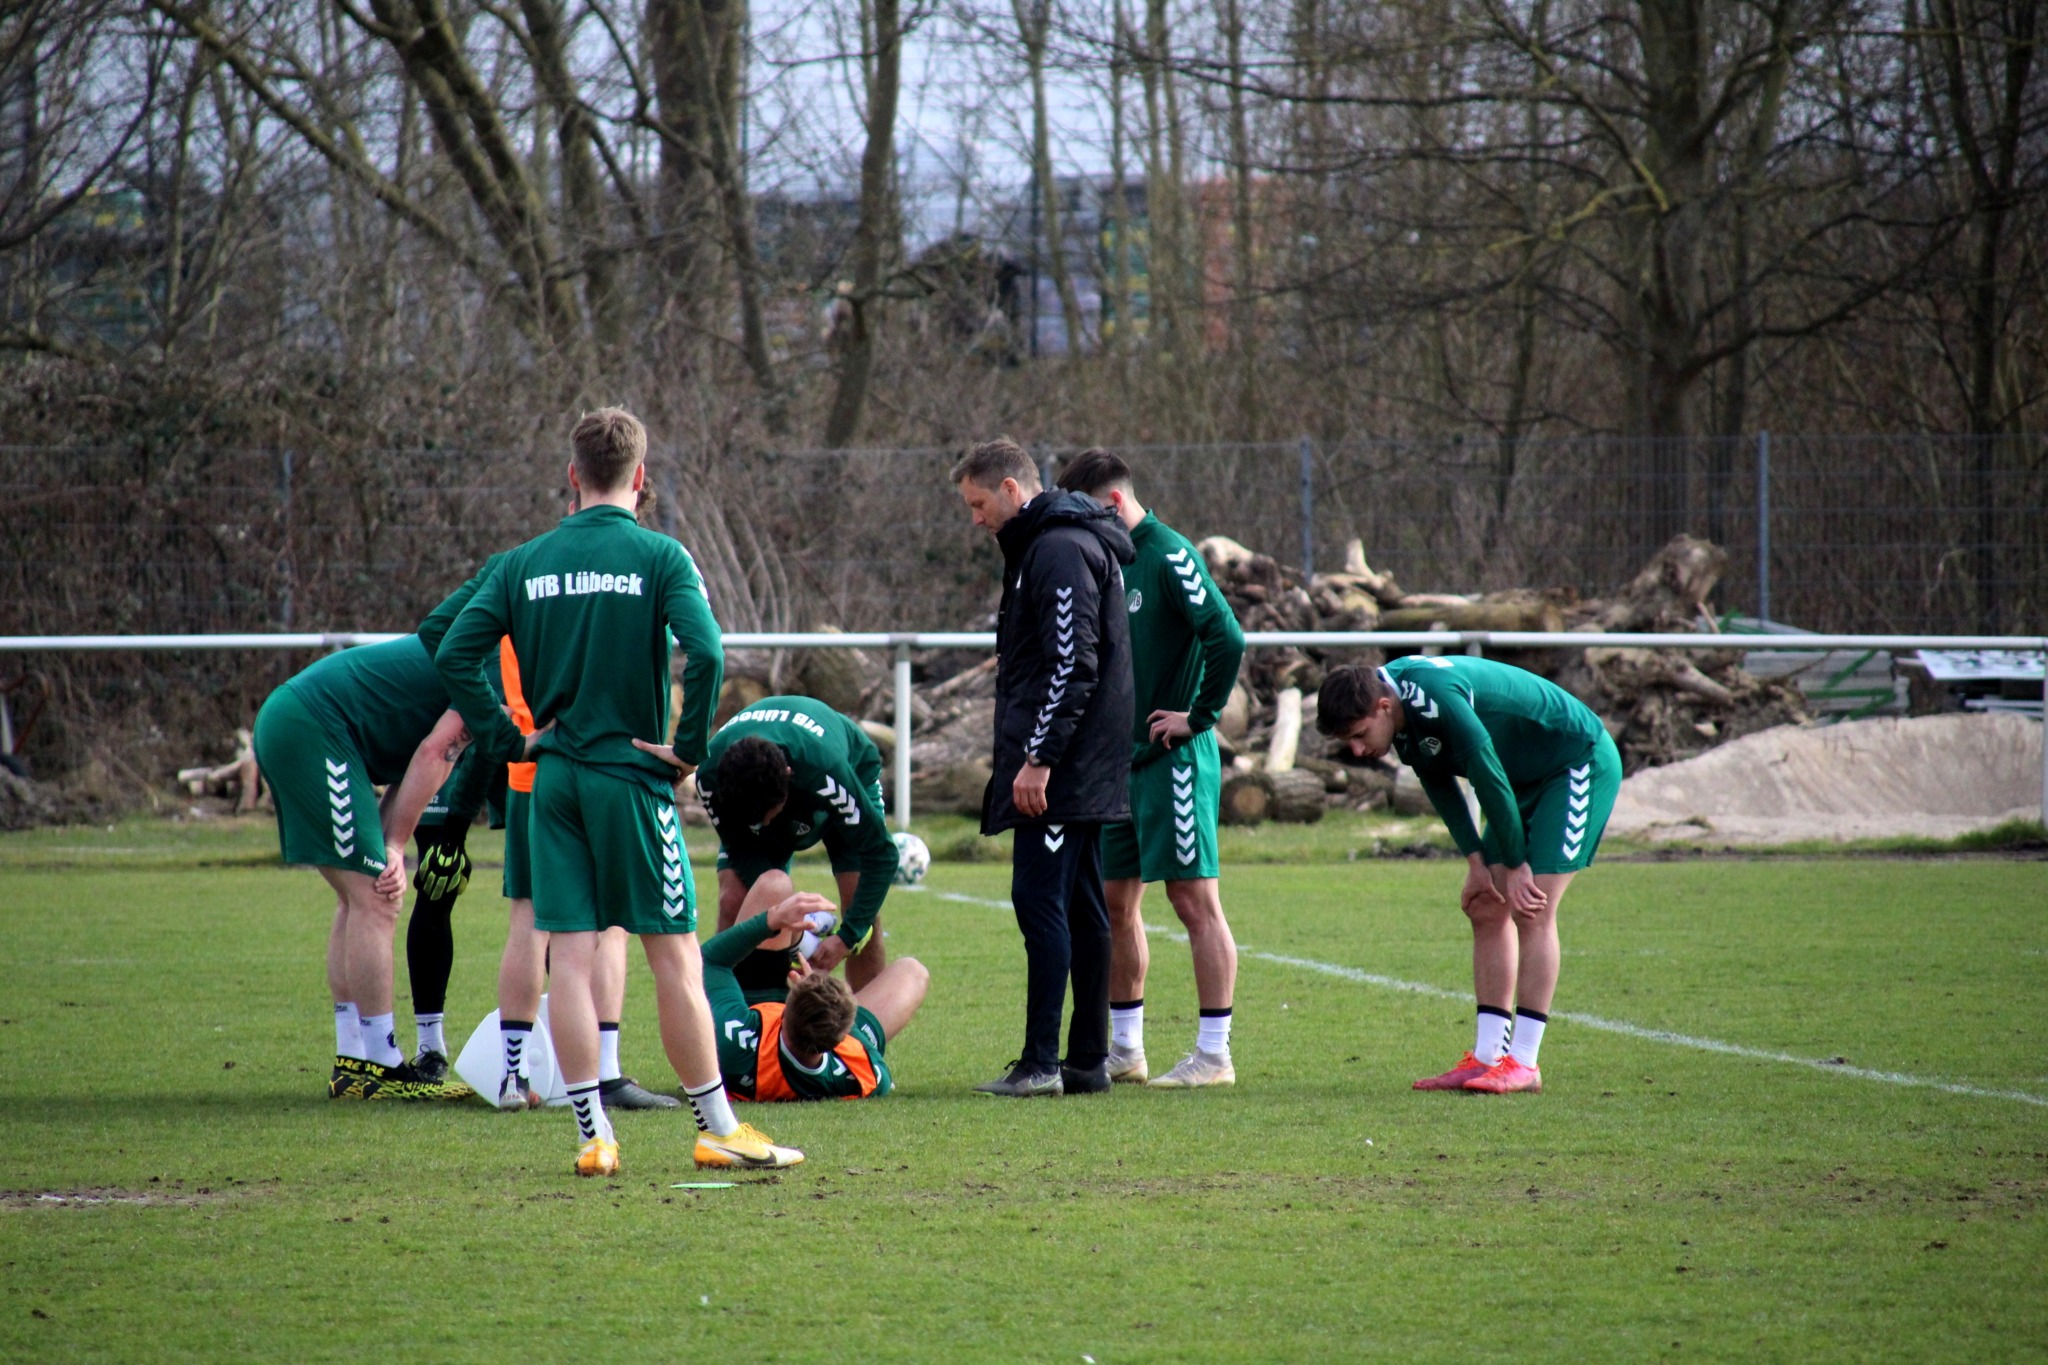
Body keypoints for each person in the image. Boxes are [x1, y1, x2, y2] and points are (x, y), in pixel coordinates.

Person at [436, 407, 800, 1177]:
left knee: (566, 956)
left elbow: (455, 653)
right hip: (631, 778)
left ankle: (592, 1134)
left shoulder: (522, 562)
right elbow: (705, 651)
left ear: (573, 475)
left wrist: (508, 739)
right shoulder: (661, 555)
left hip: (555, 779)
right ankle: (718, 1128)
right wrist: (689, 751)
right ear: (640, 477)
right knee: (674, 956)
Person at [251, 571, 514, 1103]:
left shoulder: (500, 653)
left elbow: (414, 760)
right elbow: (436, 753)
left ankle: (356, 1060)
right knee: (377, 896)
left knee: (359, 898)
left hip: (304, 722)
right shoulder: (500, 666)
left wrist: (393, 838)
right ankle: (383, 1065)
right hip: (312, 726)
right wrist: (394, 847)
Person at [1316, 657, 1623, 1094]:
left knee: (1532, 908)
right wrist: (1477, 863)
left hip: (1574, 762)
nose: (1359, 751)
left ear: (1384, 706)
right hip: (1517, 779)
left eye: (1360, 736)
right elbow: (1437, 782)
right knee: (1486, 906)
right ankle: (1486, 1058)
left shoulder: (1432, 694)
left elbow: (1483, 767)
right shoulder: (1400, 713)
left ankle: (1525, 1063)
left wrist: (1516, 865)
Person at [1056, 450, 1246, 1088]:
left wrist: (1200, 715)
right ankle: (1126, 1049)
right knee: (1115, 903)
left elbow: (1228, 635)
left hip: (1173, 763)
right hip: (1120, 766)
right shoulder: (1109, 559)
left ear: (1110, 505)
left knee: (1193, 900)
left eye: (1084, 516)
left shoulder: (1168, 553)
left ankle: (1214, 1056)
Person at [952, 437, 1135, 1097]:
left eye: (979, 503)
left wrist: (1038, 759)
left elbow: (1071, 661)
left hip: (1063, 768)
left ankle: (1040, 1062)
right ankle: (1086, 1061)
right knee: (1085, 904)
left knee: (1041, 900)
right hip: (1084, 764)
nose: (975, 518)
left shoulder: (1056, 548)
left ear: (1011, 489)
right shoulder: (1054, 544)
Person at [698, 695, 897, 998]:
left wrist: (847, 937)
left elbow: (882, 855)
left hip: (845, 772)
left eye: (768, 818)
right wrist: (792, 926)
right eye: (755, 823)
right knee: (733, 899)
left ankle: (863, 1039)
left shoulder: (825, 770)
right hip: (775, 784)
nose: (764, 829)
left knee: (861, 905)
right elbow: (740, 850)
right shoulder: (710, 778)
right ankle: (728, 1025)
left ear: (788, 781)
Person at [703, 888, 930, 1102]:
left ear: (785, 1007)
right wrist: (831, 1006)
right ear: (842, 1036)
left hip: (757, 1009)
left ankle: (798, 936)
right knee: (913, 972)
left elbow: (708, 960)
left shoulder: (734, 1045)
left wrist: (770, 920)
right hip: (829, 1040)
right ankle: (801, 941)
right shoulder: (863, 1075)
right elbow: (880, 1074)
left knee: (773, 884)